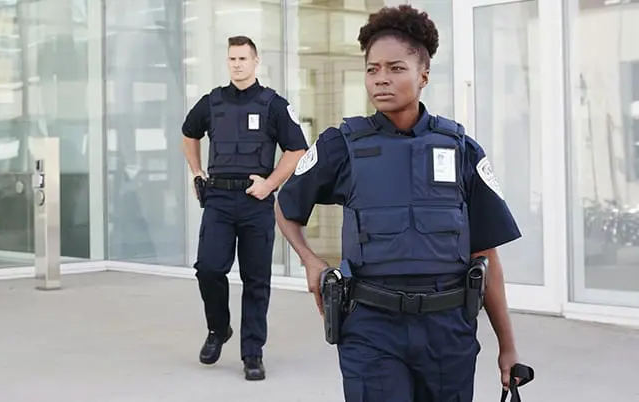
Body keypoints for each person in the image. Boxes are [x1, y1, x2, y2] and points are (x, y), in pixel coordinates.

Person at [274, 5, 524, 401]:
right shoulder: (342, 145)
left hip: (448, 331)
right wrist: (310, 261)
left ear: (423, 74)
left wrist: (507, 347)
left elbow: (486, 255)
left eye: (395, 68)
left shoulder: (461, 150)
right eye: (372, 69)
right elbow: (287, 209)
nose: (381, 80)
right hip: (371, 329)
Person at [181, 35, 309, 381]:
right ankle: (218, 329)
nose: (237, 64)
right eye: (232, 59)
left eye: (243, 58)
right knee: (208, 268)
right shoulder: (212, 102)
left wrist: (270, 184)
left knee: (256, 280)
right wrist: (197, 173)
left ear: (256, 62)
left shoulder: (273, 105)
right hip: (219, 199)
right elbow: (188, 134)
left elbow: (297, 149)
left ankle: (252, 352)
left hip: (256, 202)